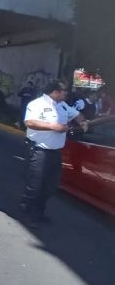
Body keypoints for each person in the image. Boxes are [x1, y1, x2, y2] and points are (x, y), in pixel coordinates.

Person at [20, 79, 88, 228]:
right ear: (55, 92)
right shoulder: (36, 104)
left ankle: (39, 211)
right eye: (64, 91)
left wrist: (82, 121)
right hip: (38, 151)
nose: (66, 93)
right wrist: (52, 126)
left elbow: (77, 114)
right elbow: (29, 122)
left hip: (55, 152)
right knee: (35, 185)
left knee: (51, 185)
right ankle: (30, 214)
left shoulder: (62, 106)